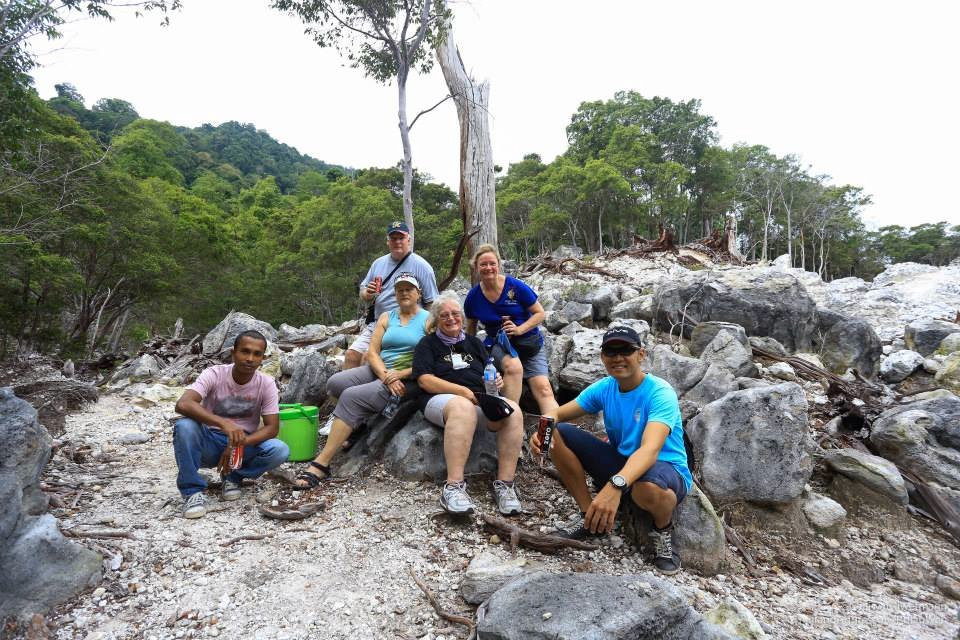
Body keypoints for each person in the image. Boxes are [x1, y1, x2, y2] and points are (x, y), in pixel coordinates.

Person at [530, 326, 692, 574]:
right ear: (602, 357)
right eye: (610, 351)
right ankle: (590, 517)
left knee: (647, 488)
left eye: (626, 350)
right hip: (623, 462)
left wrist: (615, 486)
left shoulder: (660, 393)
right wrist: (543, 430)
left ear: (641, 355)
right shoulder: (605, 388)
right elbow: (556, 414)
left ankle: (663, 529)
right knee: (558, 432)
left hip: (664, 467)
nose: (618, 357)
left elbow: (650, 449)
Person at [294, 273, 429, 487]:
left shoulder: (428, 319)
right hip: (382, 371)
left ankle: (322, 464)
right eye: (400, 290)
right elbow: (373, 352)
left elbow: (432, 359)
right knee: (336, 383)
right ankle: (356, 424)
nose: (404, 293)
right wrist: (385, 375)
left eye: (409, 289)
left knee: (351, 396)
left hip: (407, 378)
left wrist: (400, 374)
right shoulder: (386, 317)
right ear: (395, 294)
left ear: (418, 293)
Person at [412, 291, 525, 516]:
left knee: (514, 410)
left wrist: (496, 381)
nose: (451, 318)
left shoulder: (474, 343)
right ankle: (453, 487)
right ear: (436, 320)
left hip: (478, 399)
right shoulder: (427, 344)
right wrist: (461, 391)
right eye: (444, 315)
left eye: (455, 314)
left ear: (462, 318)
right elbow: (424, 380)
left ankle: (505, 485)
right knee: (462, 407)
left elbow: (488, 370)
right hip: (441, 400)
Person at [173, 330, 288, 519]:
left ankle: (233, 477)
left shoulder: (266, 383)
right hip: (209, 441)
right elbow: (183, 404)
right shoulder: (214, 374)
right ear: (233, 353)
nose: (250, 358)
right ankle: (191, 492)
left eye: (257, 354)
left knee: (279, 450)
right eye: (245, 351)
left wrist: (237, 444)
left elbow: (272, 428)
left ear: (262, 358)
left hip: (243, 445)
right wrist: (224, 424)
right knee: (185, 426)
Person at [463, 244, 557, 413]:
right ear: (476, 267)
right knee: (514, 367)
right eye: (483, 264)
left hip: (528, 342)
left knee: (544, 389)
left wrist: (520, 329)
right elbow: (471, 328)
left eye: (492, 263)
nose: (488, 268)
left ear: (498, 265)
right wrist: (469, 353)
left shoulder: (515, 286)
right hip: (499, 344)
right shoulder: (473, 297)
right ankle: (510, 418)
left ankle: (555, 428)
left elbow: (540, 313)